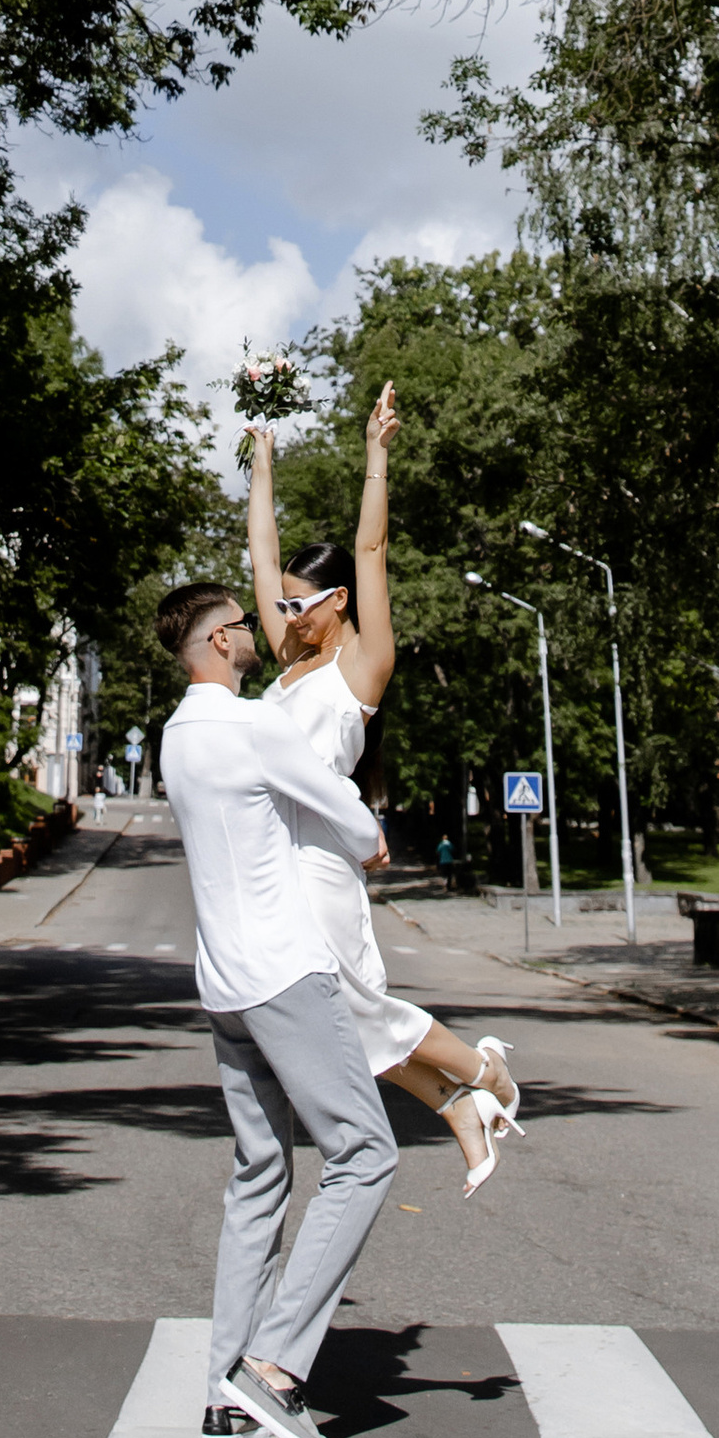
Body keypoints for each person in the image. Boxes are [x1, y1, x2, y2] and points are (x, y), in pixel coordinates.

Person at [246, 384, 525, 1194]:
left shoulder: (362, 664)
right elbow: (260, 556)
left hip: (319, 859)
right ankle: (461, 1104)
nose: (286, 613)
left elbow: (371, 550)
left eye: (300, 603)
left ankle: (481, 1071)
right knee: (329, 1018)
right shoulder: (292, 657)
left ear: (337, 603)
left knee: (344, 1008)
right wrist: (262, 462)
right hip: (274, 853)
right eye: (283, 604)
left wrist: (377, 454)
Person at [156, 578, 398, 1438]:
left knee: (260, 1174)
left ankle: (225, 1394)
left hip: (223, 984)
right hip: (286, 974)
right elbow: (339, 804)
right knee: (365, 1154)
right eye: (242, 624)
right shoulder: (255, 724)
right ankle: (273, 1368)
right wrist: (370, 839)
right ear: (219, 642)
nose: (260, 630)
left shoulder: (176, 736)